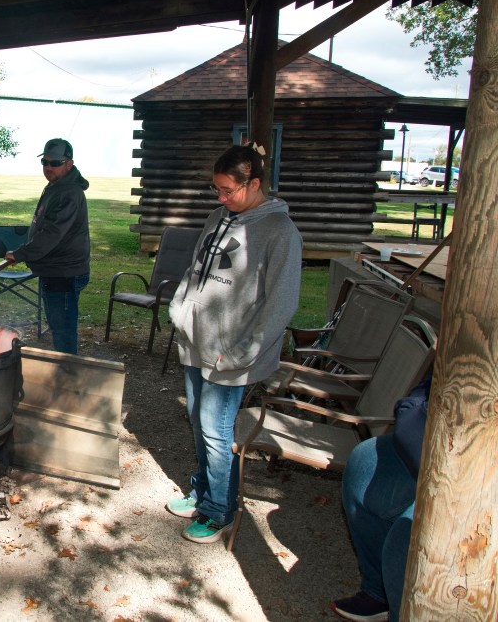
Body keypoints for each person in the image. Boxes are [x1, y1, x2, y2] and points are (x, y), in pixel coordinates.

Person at [165, 143, 303, 543]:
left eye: (229, 191)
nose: (222, 198)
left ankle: (218, 511)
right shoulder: (217, 217)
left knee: (215, 429)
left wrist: (244, 351)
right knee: (198, 421)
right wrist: (179, 309)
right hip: (197, 342)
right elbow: (195, 271)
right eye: (217, 190)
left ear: (254, 183)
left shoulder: (279, 231)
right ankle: (204, 490)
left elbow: (282, 302)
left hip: (235, 353)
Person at [331, 372, 432, 622]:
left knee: (407, 535)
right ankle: (379, 593)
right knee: (366, 462)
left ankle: (404, 612)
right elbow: (419, 395)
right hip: (430, 446)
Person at [5, 138, 90, 354]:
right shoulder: (57, 186)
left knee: (63, 330)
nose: (48, 167)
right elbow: (44, 228)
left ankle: (67, 375)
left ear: (69, 164)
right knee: (59, 327)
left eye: (55, 163)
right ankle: (65, 371)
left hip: (64, 273)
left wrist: (22, 253)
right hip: (55, 269)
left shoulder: (69, 192)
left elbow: (52, 233)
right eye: (45, 162)